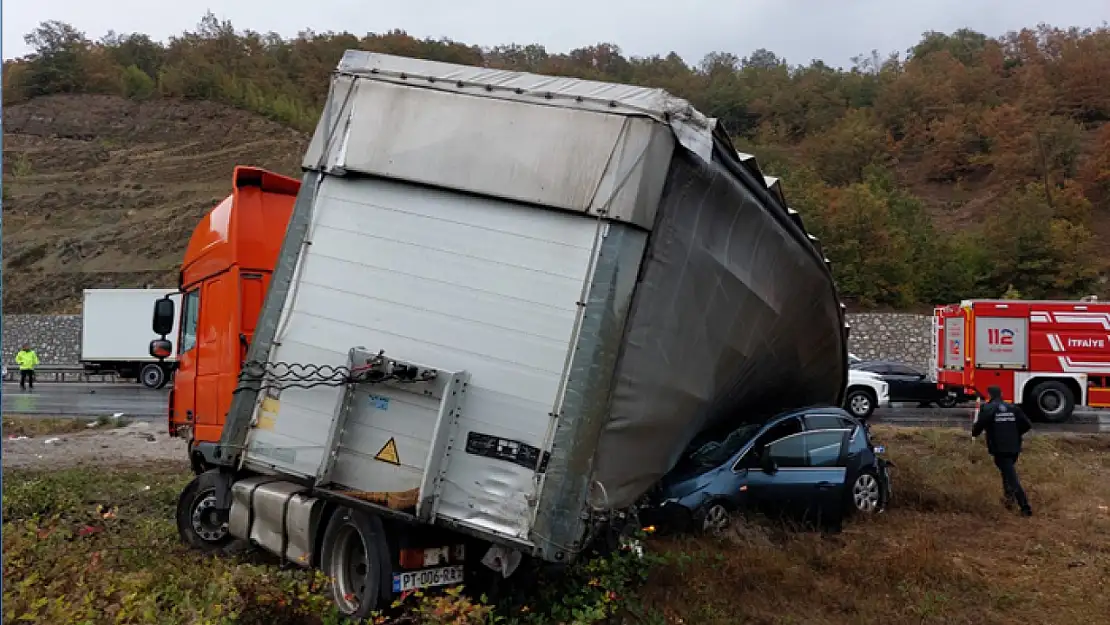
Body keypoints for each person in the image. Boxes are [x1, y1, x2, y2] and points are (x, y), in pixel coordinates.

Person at [972, 385, 1033, 516]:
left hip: (1000, 448)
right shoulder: (1013, 408)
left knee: (1011, 477)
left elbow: (979, 426)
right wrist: (1016, 434)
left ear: (989, 395)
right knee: (1007, 473)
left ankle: (1025, 506)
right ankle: (1009, 500)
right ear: (1001, 394)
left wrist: (974, 433)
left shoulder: (988, 408)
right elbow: (1027, 425)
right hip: (1014, 447)